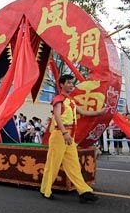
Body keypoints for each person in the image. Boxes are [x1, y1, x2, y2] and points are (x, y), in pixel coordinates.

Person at [39, 74, 105, 202]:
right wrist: (65, 133)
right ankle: (45, 190)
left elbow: (83, 112)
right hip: (60, 135)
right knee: (53, 164)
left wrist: (99, 112)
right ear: (62, 85)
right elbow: (57, 116)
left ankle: (84, 192)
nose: (71, 85)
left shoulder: (71, 101)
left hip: (69, 137)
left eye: (72, 83)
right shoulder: (58, 99)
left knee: (74, 165)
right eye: (68, 82)